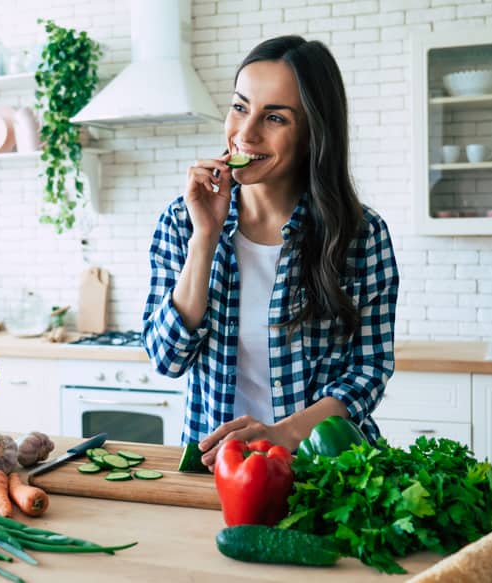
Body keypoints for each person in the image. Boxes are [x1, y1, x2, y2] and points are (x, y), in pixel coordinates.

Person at [142, 35, 399, 468]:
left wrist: (282, 436)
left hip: (325, 471)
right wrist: (204, 237)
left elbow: (368, 373)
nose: (245, 133)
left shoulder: (360, 234)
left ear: (313, 133)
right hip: (216, 470)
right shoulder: (183, 218)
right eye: (240, 107)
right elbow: (166, 358)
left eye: (275, 118)